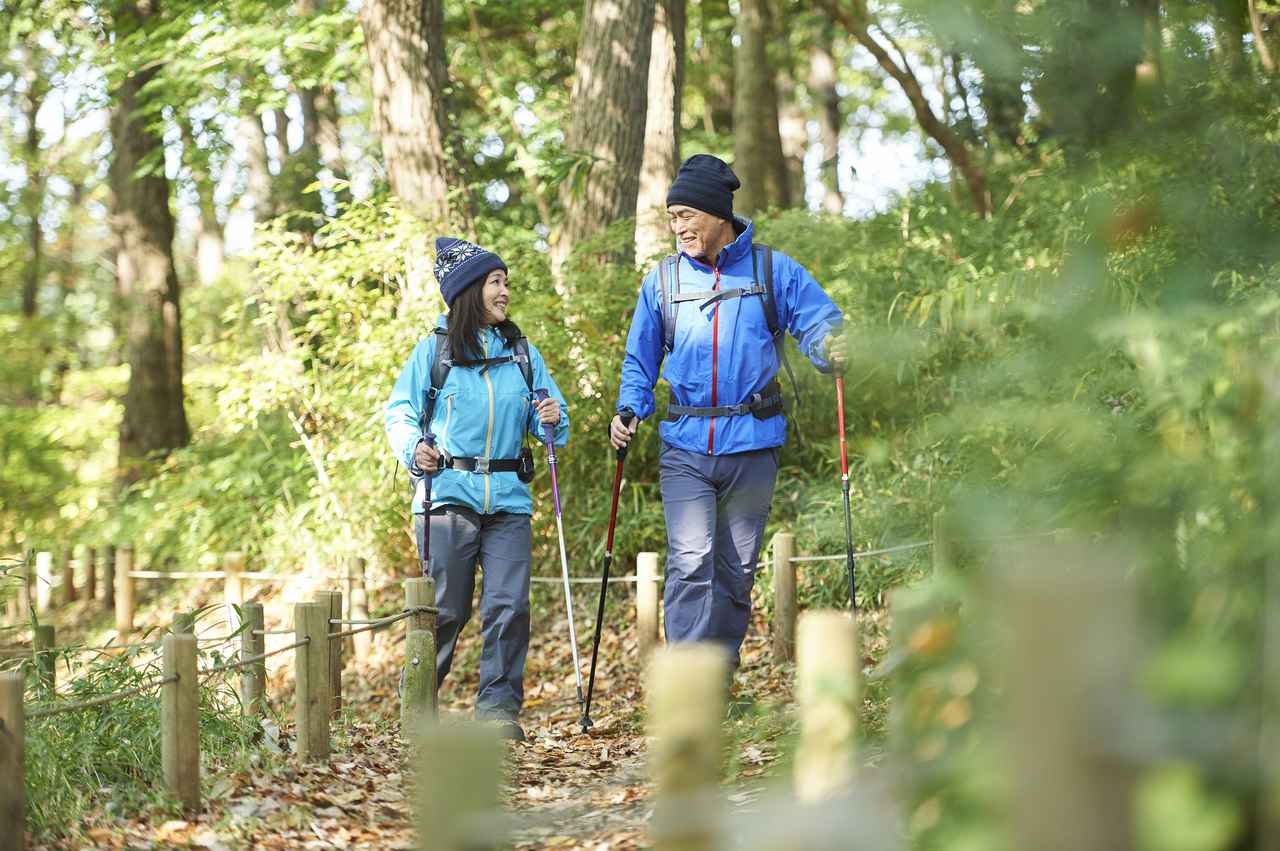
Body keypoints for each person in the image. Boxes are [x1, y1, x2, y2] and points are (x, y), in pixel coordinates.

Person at [610, 154, 846, 672]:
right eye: (673, 218)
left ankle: (716, 679)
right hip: (686, 445)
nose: (679, 227)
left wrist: (832, 346)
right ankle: (690, 688)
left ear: (718, 215)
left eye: (687, 216)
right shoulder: (664, 282)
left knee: (736, 571)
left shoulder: (770, 269)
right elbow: (640, 358)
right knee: (691, 564)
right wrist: (630, 407)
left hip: (754, 443)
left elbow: (818, 321)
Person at [385, 237, 569, 742]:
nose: (505, 292)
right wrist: (413, 449)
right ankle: (417, 707)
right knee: (447, 608)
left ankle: (497, 713)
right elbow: (400, 413)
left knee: (510, 605)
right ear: (469, 291)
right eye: (496, 282)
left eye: (505, 281)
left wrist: (551, 416)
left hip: (508, 497)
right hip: (447, 497)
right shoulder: (434, 351)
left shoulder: (521, 353)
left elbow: (555, 418)